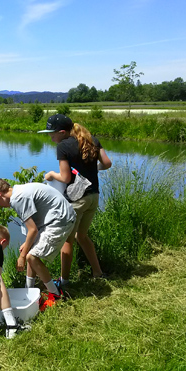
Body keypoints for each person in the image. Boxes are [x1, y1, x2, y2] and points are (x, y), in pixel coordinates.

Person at [40, 114, 112, 285]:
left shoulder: (63, 146)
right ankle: (97, 272)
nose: (50, 137)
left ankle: (64, 282)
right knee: (82, 236)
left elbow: (65, 178)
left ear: (63, 132)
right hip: (93, 196)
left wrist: (51, 175)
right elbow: (107, 163)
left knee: (67, 240)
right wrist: (90, 170)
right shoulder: (92, 139)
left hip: (76, 200)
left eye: (52, 133)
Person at [0, 178, 76, 304]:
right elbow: (33, 229)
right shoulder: (19, 190)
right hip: (59, 216)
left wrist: (22, 257)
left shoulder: (18, 199)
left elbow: (32, 230)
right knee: (29, 250)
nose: (0, 206)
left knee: (31, 256)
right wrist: (26, 246)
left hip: (59, 221)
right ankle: (29, 290)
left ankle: (56, 295)